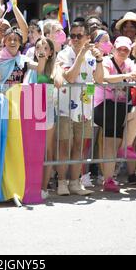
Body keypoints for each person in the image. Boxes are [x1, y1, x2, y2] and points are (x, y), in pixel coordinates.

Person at [56, 23, 104, 196]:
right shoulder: (63, 54)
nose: (75, 39)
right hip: (65, 108)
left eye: (79, 36)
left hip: (85, 107)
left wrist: (99, 60)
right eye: (73, 36)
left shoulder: (92, 55)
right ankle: (62, 182)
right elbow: (69, 77)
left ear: (87, 38)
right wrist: (81, 54)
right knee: (64, 146)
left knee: (79, 146)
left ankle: (75, 182)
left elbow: (99, 79)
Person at [93, 36, 136, 193]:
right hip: (104, 106)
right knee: (110, 143)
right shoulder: (107, 62)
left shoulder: (129, 63)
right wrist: (126, 76)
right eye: (120, 49)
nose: (122, 52)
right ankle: (125, 149)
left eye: (126, 49)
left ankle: (109, 179)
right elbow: (104, 78)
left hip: (120, 108)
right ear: (114, 49)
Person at [34, 38, 64, 199]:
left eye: (45, 48)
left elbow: (59, 83)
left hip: (48, 109)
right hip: (30, 110)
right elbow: (37, 73)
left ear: (51, 52)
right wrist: (41, 61)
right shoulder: (30, 64)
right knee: (32, 150)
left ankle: (43, 187)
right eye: (38, 47)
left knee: (47, 150)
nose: (41, 50)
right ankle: (32, 184)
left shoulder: (55, 66)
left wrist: (54, 69)